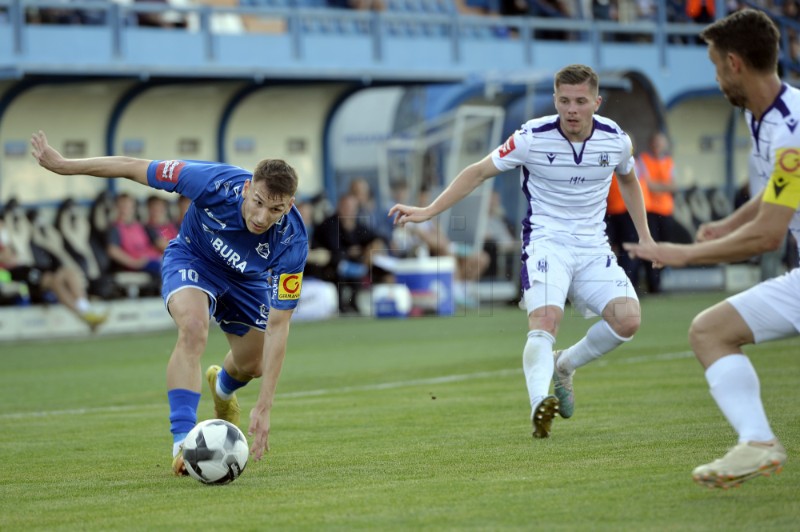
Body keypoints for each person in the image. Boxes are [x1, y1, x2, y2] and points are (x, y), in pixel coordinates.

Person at [390, 64, 654, 439]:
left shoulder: (616, 139)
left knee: (628, 320)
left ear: (597, 102)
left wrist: (645, 236)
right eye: (564, 100)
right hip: (547, 243)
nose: (572, 109)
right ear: (555, 100)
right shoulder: (532, 136)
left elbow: (628, 179)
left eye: (580, 101)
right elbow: (478, 172)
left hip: (593, 247)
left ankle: (565, 364)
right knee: (545, 321)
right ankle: (538, 405)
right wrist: (430, 210)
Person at [30, 130, 308, 474]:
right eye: (259, 202)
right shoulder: (211, 182)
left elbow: (280, 326)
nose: (263, 217)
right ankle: (183, 443)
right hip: (194, 259)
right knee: (193, 328)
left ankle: (222, 390)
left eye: (277, 209)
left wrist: (265, 406)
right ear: (249, 187)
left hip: (246, 281)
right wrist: (64, 165)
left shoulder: (293, 240)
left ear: (291, 205)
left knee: (254, 364)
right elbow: (133, 166)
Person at [624, 9, 793, 489]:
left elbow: (769, 236)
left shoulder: (789, 128)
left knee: (709, 330)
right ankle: (757, 442)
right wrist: (727, 222)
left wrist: (682, 255)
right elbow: (776, 195)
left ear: (735, 64)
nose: (716, 78)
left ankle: (758, 442)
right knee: (711, 331)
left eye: (717, 66)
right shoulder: (768, 118)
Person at [0, 219, 108, 331]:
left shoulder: (5, 243)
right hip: (16, 277)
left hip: (29, 269)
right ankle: (84, 313)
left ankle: (85, 310)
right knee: (54, 281)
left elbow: (10, 253)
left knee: (69, 272)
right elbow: (6, 264)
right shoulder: (6, 268)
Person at [636, 130, 683, 293]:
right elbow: (648, 185)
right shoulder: (644, 160)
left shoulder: (669, 162)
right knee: (651, 248)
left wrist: (659, 186)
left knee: (664, 247)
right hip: (649, 210)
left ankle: (659, 280)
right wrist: (664, 186)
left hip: (666, 211)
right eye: (655, 142)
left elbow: (674, 185)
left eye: (660, 142)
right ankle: (653, 284)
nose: (657, 146)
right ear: (651, 144)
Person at [107, 193, 163, 278]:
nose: (125, 210)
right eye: (122, 206)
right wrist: (133, 262)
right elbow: (112, 250)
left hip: (152, 259)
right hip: (139, 263)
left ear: (133, 208)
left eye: (128, 207)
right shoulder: (115, 228)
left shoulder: (139, 226)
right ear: (117, 207)